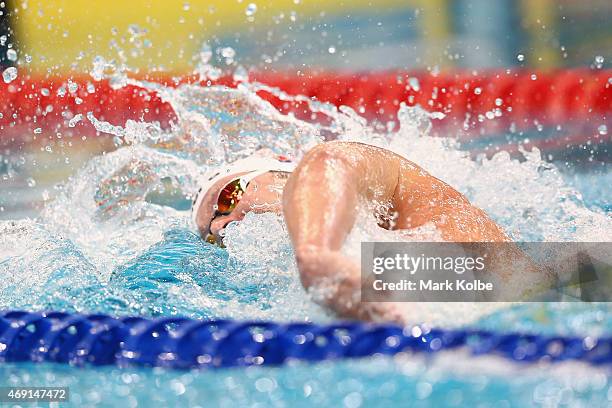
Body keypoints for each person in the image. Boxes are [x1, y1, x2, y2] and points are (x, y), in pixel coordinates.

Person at [192, 141, 518, 322]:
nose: (222, 225)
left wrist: (317, 256)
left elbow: (329, 162)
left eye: (228, 196)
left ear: (282, 167)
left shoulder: (374, 174)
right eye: (212, 233)